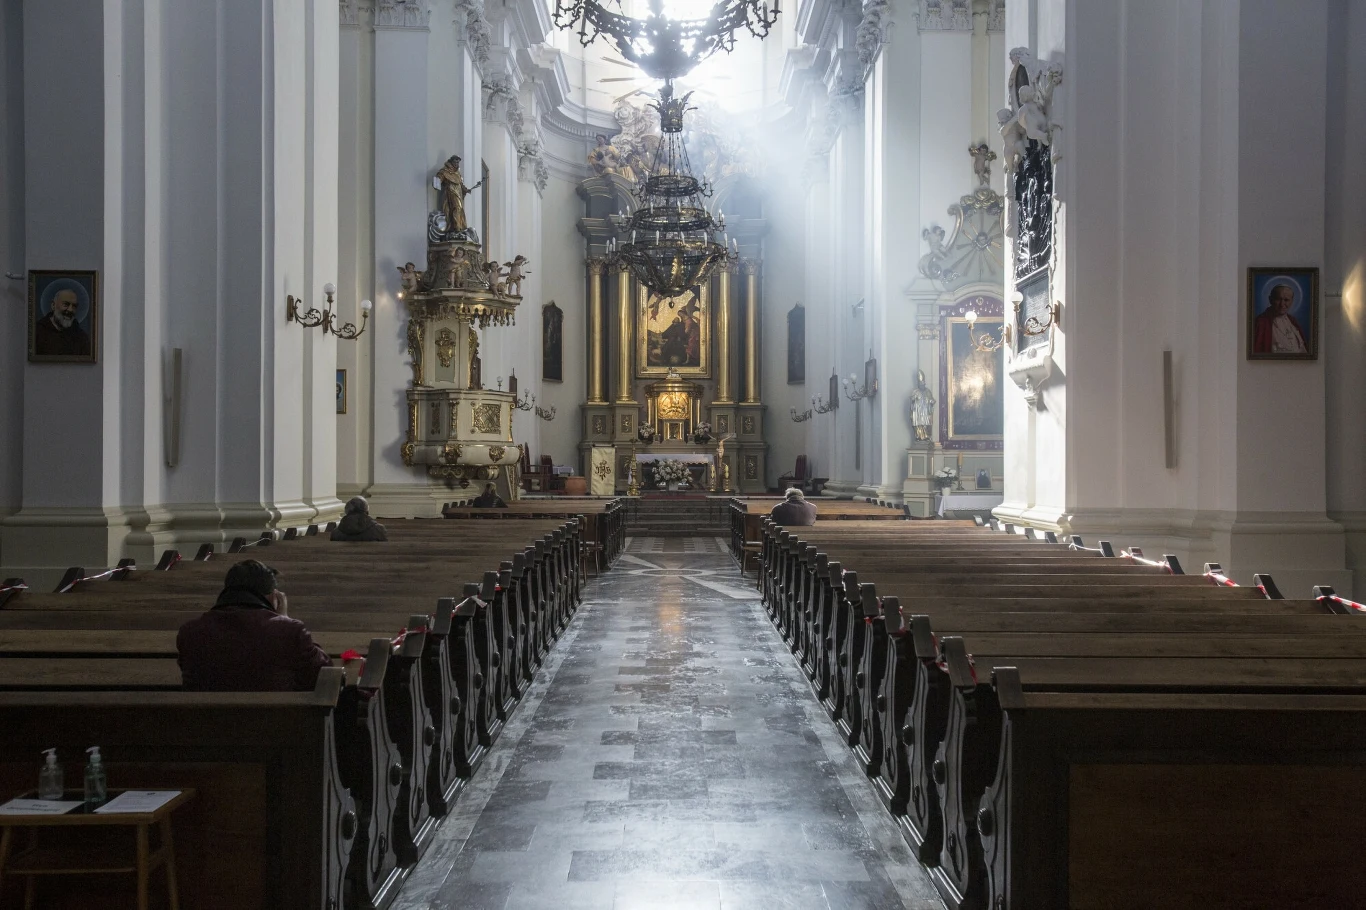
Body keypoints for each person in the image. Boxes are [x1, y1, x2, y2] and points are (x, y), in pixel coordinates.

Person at [176, 560, 331, 692]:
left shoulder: (190, 631)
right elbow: (323, 672)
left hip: (204, 725)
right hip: (277, 725)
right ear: (273, 597)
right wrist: (284, 619)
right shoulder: (289, 630)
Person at [1253, 281, 1309, 354]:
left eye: (1286, 300)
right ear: (1270, 300)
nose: (1282, 304)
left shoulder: (1293, 321)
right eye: (1278, 299)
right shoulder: (1261, 322)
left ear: (1292, 301)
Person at [33, 287, 92, 356]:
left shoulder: (81, 337)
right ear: (53, 305)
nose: (70, 310)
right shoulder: (37, 332)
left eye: (74, 306)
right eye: (66, 304)